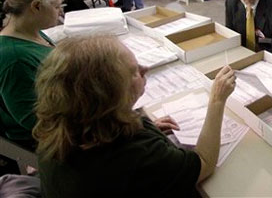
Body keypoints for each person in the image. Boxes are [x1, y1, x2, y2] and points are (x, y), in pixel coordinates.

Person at [34, 35, 236, 197]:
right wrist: (217, 99)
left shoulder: (57, 128)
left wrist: (145, 127)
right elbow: (204, 163)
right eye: (133, 72)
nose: (145, 69)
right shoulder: (137, 155)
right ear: (110, 95)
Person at [0, 0, 68, 148]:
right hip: (47, 135)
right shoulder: (15, 59)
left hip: (63, 108)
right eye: (56, 6)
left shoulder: (33, 32)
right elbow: (35, 121)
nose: (60, 12)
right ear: (36, 6)